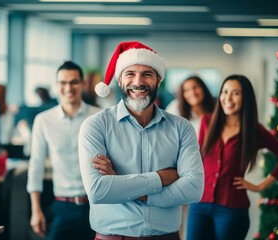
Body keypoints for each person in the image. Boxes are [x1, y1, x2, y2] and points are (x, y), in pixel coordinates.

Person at [78, 41, 204, 240]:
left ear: (158, 80)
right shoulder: (95, 126)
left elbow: (194, 189)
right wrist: (161, 178)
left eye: (147, 74)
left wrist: (120, 183)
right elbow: (98, 191)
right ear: (119, 80)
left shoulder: (182, 128)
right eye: (130, 74)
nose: (138, 82)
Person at [186, 75, 278, 240]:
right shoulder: (207, 122)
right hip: (199, 205)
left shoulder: (254, 131)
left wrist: (260, 186)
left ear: (246, 98)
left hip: (232, 209)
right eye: (225, 92)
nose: (228, 98)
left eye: (235, 93)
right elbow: (198, 159)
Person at [27, 61, 100, 240]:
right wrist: (36, 210)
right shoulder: (43, 120)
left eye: (74, 82)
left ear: (82, 84)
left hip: (99, 205)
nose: (69, 87)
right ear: (56, 85)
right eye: (63, 82)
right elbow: (35, 165)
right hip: (62, 205)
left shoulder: (100, 116)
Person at [166, 75, 215, 239]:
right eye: (186, 90)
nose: (191, 92)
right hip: (181, 168)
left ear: (203, 88)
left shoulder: (216, 111)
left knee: (197, 215)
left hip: (208, 169)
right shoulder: (175, 108)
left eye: (195, 87)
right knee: (179, 215)